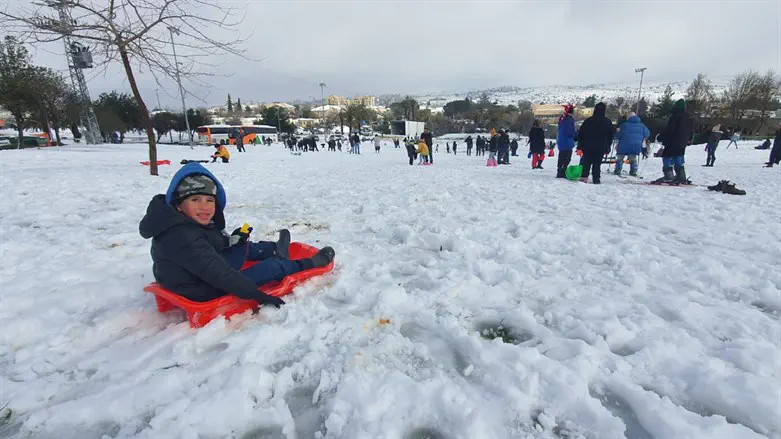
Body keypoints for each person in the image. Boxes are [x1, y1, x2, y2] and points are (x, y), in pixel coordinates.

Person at [139, 163, 335, 308]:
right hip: (199, 288)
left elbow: (208, 248)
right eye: (195, 199)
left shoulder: (181, 221)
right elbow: (220, 274)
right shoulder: (181, 236)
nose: (204, 207)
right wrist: (257, 295)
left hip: (195, 275)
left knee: (241, 246)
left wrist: (232, 240)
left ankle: (276, 249)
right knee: (271, 267)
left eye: (209, 200)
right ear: (179, 204)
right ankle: (308, 263)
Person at [655, 99, 694, 184]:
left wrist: (661, 137)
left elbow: (670, 130)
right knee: (678, 157)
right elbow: (691, 130)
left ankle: (668, 176)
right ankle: (681, 177)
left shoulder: (675, 116)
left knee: (667, 157)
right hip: (682, 142)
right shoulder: (689, 117)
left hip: (672, 141)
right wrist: (689, 139)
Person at [576, 102, 615, 184]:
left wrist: (580, 145)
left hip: (588, 146)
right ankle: (596, 179)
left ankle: (584, 178)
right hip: (601, 146)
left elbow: (581, 134)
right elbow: (610, 136)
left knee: (586, 163)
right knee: (597, 164)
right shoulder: (607, 122)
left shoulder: (588, 121)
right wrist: (608, 146)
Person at [556, 104, 577, 178]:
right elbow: (570, 132)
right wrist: (576, 134)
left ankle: (559, 170)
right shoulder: (569, 120)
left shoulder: (562, 119)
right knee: (567, 157)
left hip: (561, 141)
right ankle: (563, 171)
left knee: (561, 156)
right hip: (567, 142)